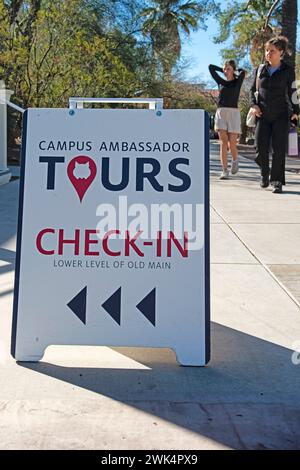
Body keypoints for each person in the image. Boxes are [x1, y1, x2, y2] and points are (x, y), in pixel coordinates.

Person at [250, 36, 299, 194]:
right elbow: (252, 91)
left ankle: (277, 181)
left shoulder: (287, 71)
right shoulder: (259, 70)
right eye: (266, 50)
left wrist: (296, 112)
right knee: (259, 147)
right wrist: (254, 105)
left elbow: (293, 92)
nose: (268, 53)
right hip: (262, 114)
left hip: (281, 114)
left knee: (279, 149)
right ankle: (265, 173)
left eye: (272, 51)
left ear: (281, 52)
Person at [209, 61, 245, 179]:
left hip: (233, 113)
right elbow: (211, 67)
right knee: (223, 143)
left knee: (232, 143)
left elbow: (243, 72)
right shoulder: (220, 81)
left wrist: (235, 70)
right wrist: (222, 68)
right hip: (221, 112)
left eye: (228, 69)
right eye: (224, 69)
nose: (225, 71)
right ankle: (224, 170)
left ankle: (235, 160)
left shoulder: (237, 81)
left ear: (233, 70)